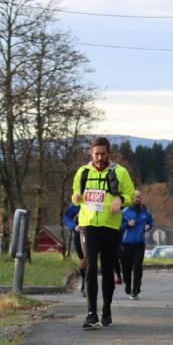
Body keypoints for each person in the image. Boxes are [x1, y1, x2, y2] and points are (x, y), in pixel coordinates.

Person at [71, 136, 135, 328]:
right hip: (88, 225)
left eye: (103, 154)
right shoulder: (82, 172)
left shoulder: (120, 172)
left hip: (110, 226)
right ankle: (91, 313)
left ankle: (106, 308)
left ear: (109, 153)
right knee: (90, 267)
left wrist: (120, 201)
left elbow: (131, 194)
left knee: (108, 270)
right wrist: (75, 197)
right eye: (96, 154)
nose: (99, 158)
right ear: (91, 153)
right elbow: (76, 196)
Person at [119, 193, 153, 300]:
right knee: (126, 268)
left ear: (141, 198)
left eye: (138, 197)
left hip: (139, 243)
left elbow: (150, 222)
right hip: (126, 244)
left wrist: (148, 226)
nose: (137, 199)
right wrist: (127, 225)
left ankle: (136, 290)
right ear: (131, 199)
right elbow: (118, 226)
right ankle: (128, 285)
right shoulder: (125, 212)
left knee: (138, 266)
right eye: (135, 197)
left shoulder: (146, 212)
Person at [63, 202, 86, 297]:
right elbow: (67, 217)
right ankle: (84, 281)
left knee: (91, 259)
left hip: (95, 234)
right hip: (80, 235)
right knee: (83, 260)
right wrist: (74, 226)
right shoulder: (77, 202)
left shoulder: (98, 199)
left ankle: (89, 284)